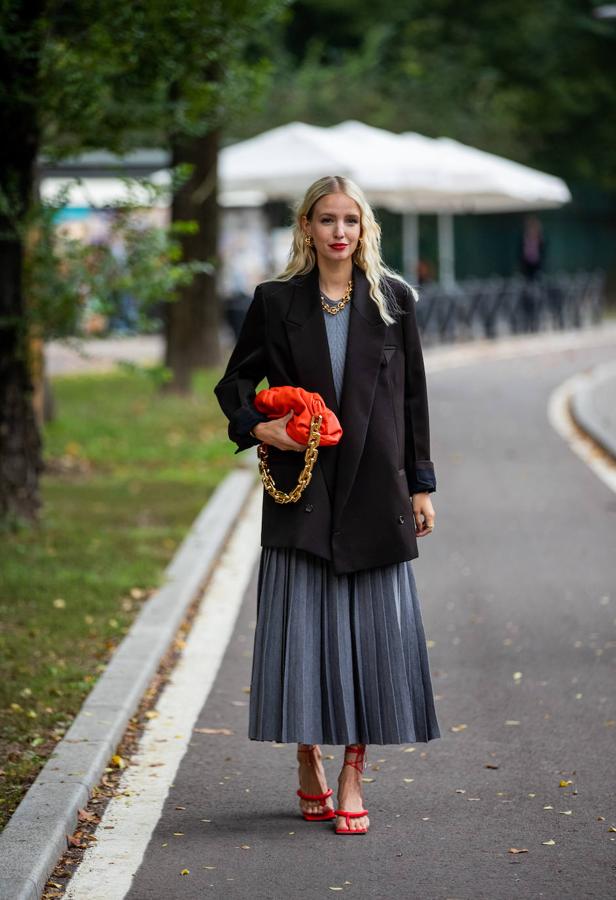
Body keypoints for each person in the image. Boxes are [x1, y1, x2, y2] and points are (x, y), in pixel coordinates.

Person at [214, 175, 440, 836]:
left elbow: (414, 399)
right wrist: (262, 429)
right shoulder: (275, 300)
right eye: (326, 219)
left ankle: (352, 772)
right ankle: (308, 754)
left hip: (375, 487)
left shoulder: (394, 300)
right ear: (306, 228)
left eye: (350, 219)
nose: (339, 231)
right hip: (303, 480)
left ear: (364, 228)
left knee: (371, 638)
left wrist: (420, 485)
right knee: (305, 631)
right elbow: (234, 382)